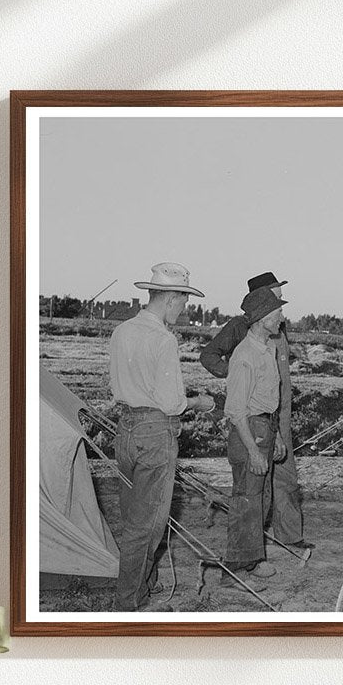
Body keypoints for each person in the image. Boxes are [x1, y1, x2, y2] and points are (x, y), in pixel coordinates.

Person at [109, 262, 214, 611]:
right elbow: (171, 402)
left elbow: (116, 386)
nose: (184, 310)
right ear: (171, 299)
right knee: (149, 524)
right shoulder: (163, 340)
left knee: (132, 516)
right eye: (183, 302)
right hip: (155, 433)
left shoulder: (122, 331)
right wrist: (198, 402)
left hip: (124, 430)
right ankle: (127, 603)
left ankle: (143, 585)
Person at [200, 272, 312, 551]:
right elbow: (209, 356)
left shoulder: (276, 327)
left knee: (284, 476)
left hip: (277, 413)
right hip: (252, 415)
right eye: (275, 290)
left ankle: (288, 536)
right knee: (252, 486)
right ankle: (247, 551)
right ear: (261, 298)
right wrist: (235, 375)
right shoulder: (242, 327)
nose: (280, 296)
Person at [222, 286, 289, 591]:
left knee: (259, 502)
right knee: (246, 503)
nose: (281, 317)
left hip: (264, 428)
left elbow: (267, 401)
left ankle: (250, 560)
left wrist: (273, 437)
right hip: (247, 432)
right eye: (277, 312)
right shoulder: (244, 356)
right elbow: (236, 412)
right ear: (263, 319)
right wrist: (254, 450)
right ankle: (233, 572)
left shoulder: (268, 349)